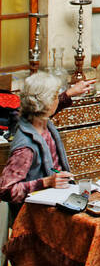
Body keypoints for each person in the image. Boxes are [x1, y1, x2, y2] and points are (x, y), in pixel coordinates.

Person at [0, 71, 94, 215]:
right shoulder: (26, 147)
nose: (58, 99)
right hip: (37, 215)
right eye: (56, 96)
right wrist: (46, 182)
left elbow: (52, 105)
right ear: (48, 104)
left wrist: (69, 93)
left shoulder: (38, 120)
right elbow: (6, 190)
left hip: (57, 200)